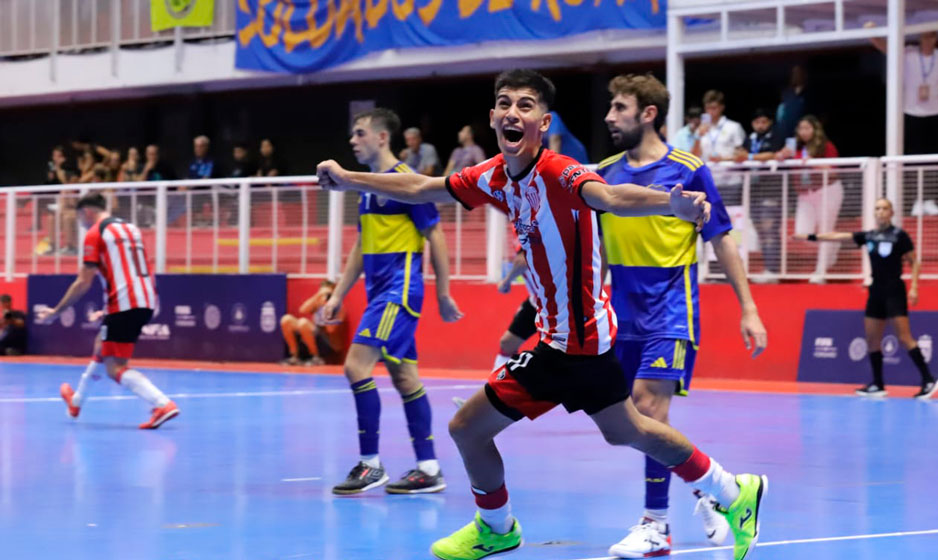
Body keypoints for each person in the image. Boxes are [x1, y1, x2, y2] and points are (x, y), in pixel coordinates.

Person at [316, 69, 767, 560]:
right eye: (504, 103)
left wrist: (669, 203)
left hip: (582, 341)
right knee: (605, 429)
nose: (513, 112)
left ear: (543, 122)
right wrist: (345, 179)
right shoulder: (490, 176)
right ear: (492, 118)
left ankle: (507, 526)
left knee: (591, 427)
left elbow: (611, 197)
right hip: (554, 339)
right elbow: (424, 186)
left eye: (526, 105)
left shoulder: (561, 171)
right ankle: (730, 490)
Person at [598, 73, 769, 558]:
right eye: (610, 107)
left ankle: (656, 527)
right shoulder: (605, 172)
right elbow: (601, 251)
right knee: (627, 425)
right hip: (621, 316)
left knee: (649, 406)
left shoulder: (689, 169)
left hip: (672, 310)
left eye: (620, 108)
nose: (610, 117)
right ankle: (715, 490)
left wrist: (749, 308)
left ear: (648, 113)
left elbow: (722, 238)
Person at [320, 108, 463, 496]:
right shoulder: (367, 187)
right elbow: (361, 247)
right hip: (378, 294)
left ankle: (370, 465)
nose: (353, 140)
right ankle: (429, 468)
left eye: (360, 133)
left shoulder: (406, 183)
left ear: (382, 138)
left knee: (355, 366)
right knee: (404, 378)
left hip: (397, 294)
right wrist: (337, 294)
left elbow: (435, 235)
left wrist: (444, 291)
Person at [36, 192, 179, 429]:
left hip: (123, 302)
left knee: (115, 368)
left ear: (87, 212)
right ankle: (77, 402)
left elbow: (83, 281)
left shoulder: (95, 233)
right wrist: (108, 309)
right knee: (101, 347)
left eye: (80, 218)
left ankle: (161, 404)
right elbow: (128, 270)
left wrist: (57, 312)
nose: (80, 223)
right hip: (146, 298)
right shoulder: (130, 228)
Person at [796, 198, 938, 399]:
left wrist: (914, 287)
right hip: (876, 290)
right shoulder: (870, 236)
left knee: (904, 337)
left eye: (884, 208)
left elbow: (914, 262)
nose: (880, 211)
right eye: (877, 208)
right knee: (872, 339)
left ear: (891, 212)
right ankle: (878, 384)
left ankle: (928, 380)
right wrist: (810, 236)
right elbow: (839, 236)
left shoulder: (900, 235)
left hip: (894, 290)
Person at [778, 115, 842, 284]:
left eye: (807, 128)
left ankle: (820, 272)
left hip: (827, 190)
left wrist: (814, 162)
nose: (804, 132)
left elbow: (834, 171)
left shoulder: (826, 146)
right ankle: (834, 245)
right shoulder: (796, 148)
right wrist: (781, 155)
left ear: (815, 129)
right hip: (805, 194)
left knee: (825, 230)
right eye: (801, 128)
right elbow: (780, 160)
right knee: (802, 232)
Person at [869, 27, 938, 155]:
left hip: (937, 112)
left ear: (936, 39)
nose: (928, 40)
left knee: (936, 151)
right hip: (911, 111)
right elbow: (886, 48)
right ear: (920, 38)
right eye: (925, 36)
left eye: (931, 37)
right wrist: (872, 34)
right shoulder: (909, 53)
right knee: (913, 151)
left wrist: (935, 93)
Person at [736, 109, 784, 281]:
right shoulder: (751, 139)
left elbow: (775, 154)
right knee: (761, 231)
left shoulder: (777, 136)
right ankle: (768, 269)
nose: (761, 125)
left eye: (764, 122)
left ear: (769, 122)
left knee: (770, 230)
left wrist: (749, 156)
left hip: (771, 190)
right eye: (757, 122)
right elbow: (738, 155)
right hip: (753, 191)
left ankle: (773, 271)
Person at [692, 90, 746, 205]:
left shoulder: (733, 127)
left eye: (714, 108)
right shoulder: (700, 129)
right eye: (708, 108)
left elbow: (741, 155)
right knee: (709, 219)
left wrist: (723, 159)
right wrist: (698, 136)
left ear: (721, 107)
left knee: (731, 218)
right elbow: (694, 156)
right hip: (708, 181)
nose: (711, 112)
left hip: (730, 182)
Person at [279, 280, 347, 366]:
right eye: (322, 293)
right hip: (311, 338)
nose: (325, 296)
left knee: (303, 323)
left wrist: (327, 308)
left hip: (328, 344)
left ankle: (316, 358)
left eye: (327, 293)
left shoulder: (339, 308)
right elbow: (302, 310)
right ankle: (294, 356)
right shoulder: (317, 303)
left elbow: (331, 330)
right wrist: (317, 296)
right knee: (286, 319)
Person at [775, 65, 815, 144]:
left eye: (799, 73)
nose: (796, 75)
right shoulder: (786, 92)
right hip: (786, 132)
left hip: (805, 133)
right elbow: (781, 111)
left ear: (805, 75)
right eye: (794, 73)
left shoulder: (811, 92)